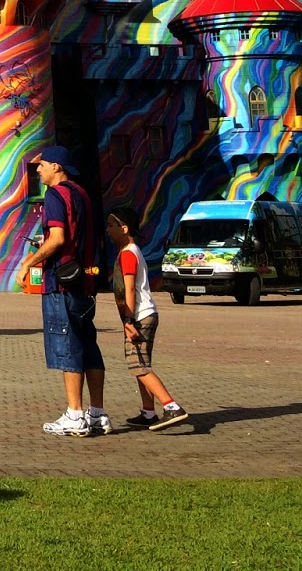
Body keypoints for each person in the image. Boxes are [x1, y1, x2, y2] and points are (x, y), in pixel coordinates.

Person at [16, 144, 109, 437]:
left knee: (68, 347)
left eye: (42, 165)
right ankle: (98, 413)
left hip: (62, 282)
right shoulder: (82, 194)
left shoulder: (55, 195)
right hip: (87, 282)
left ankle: (74, 415)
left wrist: (28, 262)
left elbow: (57, 239)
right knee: (89, 346)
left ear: (57, 166)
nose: (39, 169)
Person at [104, 208, 188, 431]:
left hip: (140, 316)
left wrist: (129, 321)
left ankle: (172, 407)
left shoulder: (128, 253)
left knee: (138, 365)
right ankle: (148, 412)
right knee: (141, 364)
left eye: (111, 225)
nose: (108, 230)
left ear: (124, 229)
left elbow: (130, 289)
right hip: (143, 315)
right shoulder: (130, 251)